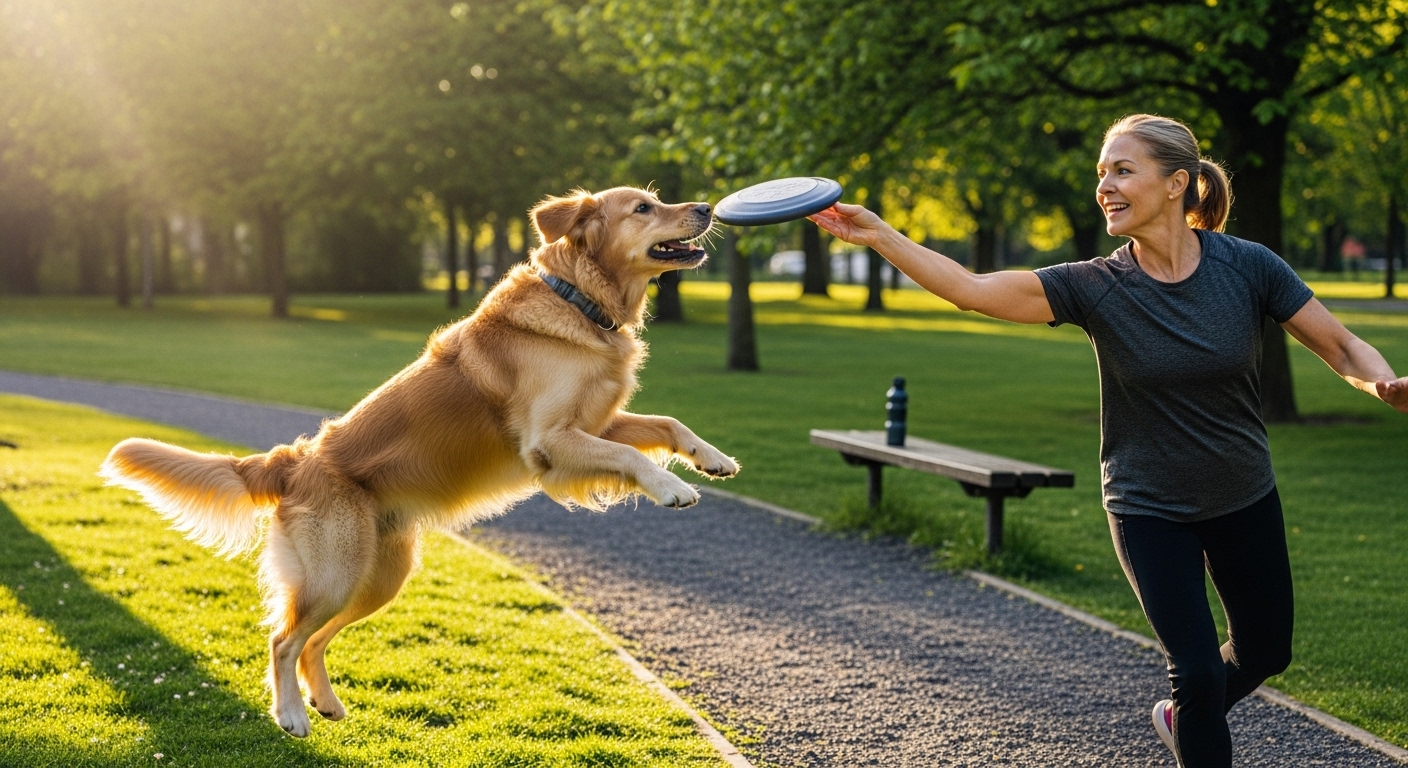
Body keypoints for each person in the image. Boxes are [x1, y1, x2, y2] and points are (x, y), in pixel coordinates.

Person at [809, 113, 1408, 768]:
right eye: (1102, 173)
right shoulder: (1094, 285)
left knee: (1268, 652)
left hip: (1243, 495)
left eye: (1123, 170)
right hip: (1149, 507)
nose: (1106, 186)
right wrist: (879, 234)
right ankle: (1192, 710)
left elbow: (1342, 344)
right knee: (1201, 676)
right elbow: (972, 291)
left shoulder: (1247, 267)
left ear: (1177, 182)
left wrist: (1379, 384)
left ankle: (1181, 718)